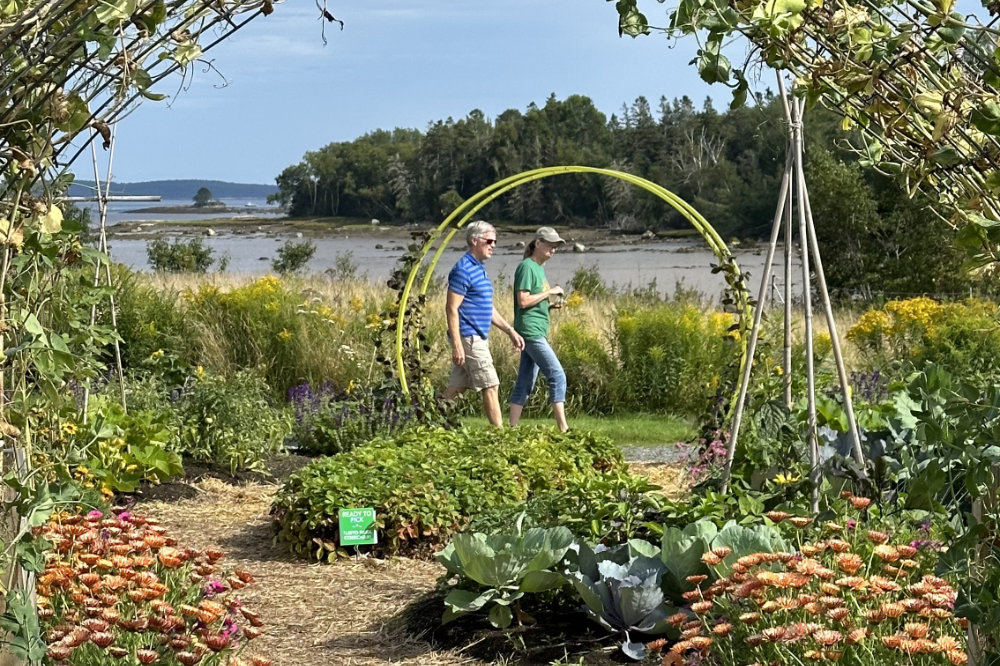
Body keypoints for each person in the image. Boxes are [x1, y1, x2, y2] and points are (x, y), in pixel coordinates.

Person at [443, 220, 524, 426]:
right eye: (489, 241)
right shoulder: (463, 269)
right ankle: (500, 435)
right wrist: (457, 345)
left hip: (477, 336)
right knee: (491, 385)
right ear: (474, 240)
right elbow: (451, 308)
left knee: (457, 388)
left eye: (495, 241)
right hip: (468, 337)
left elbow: (487, 308)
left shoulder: (480, 269)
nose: (493, 245)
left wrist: (510, 330)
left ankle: (431, 423)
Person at [509, 226, 569, 432]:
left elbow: (532, 302)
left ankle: (512, 429)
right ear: (538, 244)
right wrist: (549, 292)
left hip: (535, 329)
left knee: (526, 381)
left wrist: (549, 306)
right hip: (530, 331)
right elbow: (523, 301)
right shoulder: (527, 267)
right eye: (550, 245)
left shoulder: (538, 268)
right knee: (557, 375)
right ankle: (563, 429)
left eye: (556, 246)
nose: (553, 249)